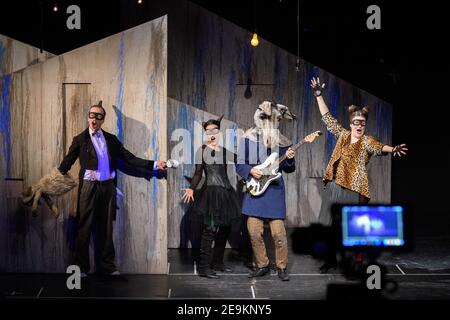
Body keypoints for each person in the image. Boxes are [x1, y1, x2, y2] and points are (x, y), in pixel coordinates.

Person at [58, 101, 167, 278]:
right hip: (88, 186)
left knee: (107, 227)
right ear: (88, 117)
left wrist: (154, 164)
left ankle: (108, 266)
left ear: (102, 119)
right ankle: (82, 267)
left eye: (98, 116)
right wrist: (49, 182)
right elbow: (66, 163)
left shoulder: (111, 139)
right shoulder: (80, 139)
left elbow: (128, 158)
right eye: (92, 115)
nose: (94, 119)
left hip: (107, 187)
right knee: (84, 226)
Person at [310, 77, 408, 273]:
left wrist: (393, 148)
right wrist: (319, 95)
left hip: (353, 190)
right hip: (334, 187)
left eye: (362, 123)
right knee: (329, 226)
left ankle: (355, 260)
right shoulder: (343, 135)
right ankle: (331, 260)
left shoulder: (367, 141)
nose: (359, 125)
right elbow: (327, 117)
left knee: (350, 228)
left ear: (365, 125)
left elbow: (379, 146)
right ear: (351, 124)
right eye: (356, 122)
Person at [235, 101, 296, 281]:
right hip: (256, 189)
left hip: (274, 192)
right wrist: (249, 171)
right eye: (266, 118)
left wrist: (290, 159)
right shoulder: (248, 138)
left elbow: (289, 168)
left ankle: (281, 266)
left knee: (278, 233)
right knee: (253, 230)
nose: (269, 122)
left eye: (273, 119)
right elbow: (239, 164)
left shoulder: (283, 142)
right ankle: (262, 265)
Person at [181, 116, 241, 279]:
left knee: (225, 229)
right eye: (208, 131)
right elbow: (198, 173)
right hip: (211, 194)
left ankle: (218, 262)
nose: (212, 134)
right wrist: (192, 189)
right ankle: (203, 267)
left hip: (226, 193)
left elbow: (241, 161)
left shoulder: (225, 151)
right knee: (210, 231)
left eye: (214, 130)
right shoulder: (201, 150)